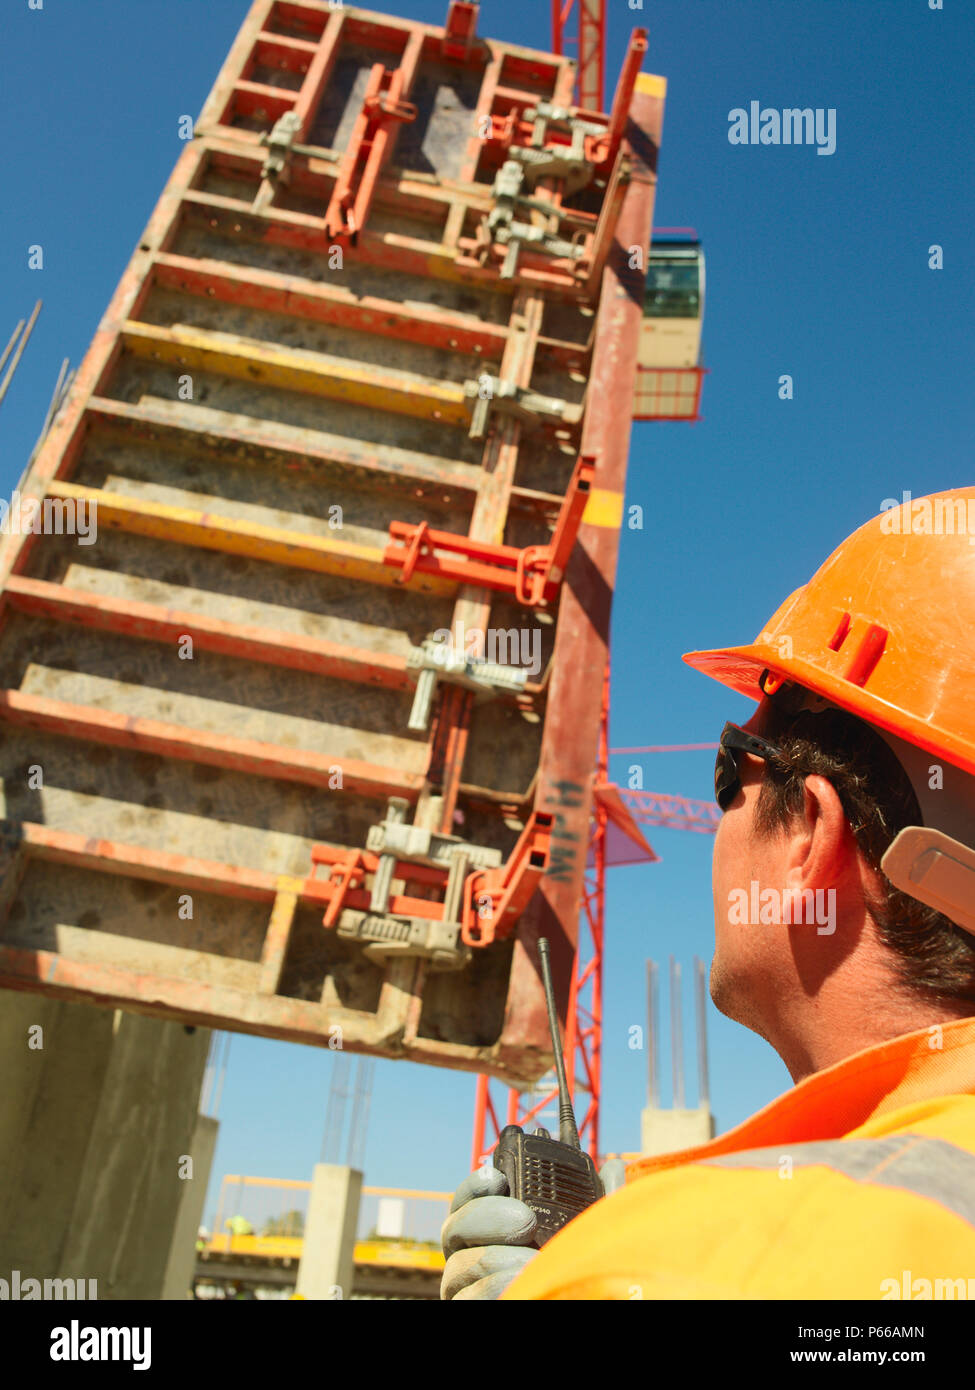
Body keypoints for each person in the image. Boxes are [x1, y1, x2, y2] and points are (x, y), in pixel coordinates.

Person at [440, 488, 975, 1299]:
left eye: (729, 773)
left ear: (811, 837)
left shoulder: (695, 1265)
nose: (720, 816)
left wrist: (612, 1269)